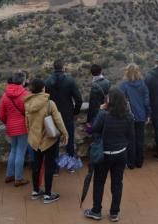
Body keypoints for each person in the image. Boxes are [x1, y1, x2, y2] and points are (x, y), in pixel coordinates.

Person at [84, 87, 134, 222]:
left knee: (99, 182)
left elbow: (92, 129)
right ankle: (114, 213)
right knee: (117, 183)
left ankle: (96, 211)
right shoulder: (129, 115)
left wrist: (89, 125)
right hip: (121, 154)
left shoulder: (103, 114)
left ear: (110, 101)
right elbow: (130, 135)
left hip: (104, 154)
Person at [24, 78, 68, 204]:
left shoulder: (27, 103)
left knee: (36, 165)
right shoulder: (49, 103)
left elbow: (27, 123)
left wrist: (31, 135)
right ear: (43, 89)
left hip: (34, 139)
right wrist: (65, 133)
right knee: (49, 166)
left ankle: (36, 191)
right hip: (49, 140)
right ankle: (48, 195)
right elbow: (58, 121)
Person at [44, 59, 82, 160]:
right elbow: (78, 99)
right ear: (63, 67)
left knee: (54, 142)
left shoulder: (47, 82)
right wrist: (75, 111)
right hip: (68, 114)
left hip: (53, 115)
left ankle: (55, 167)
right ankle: (71, 165)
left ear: (53, 68)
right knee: (69, 139)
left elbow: (44, 100)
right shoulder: (70, 80)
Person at [0, 70, 30, 186]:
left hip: (11, 126)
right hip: (22, 127)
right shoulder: (25, 95)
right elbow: (30, 112)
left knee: (13, 150)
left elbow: (1, 114)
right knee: (21, 151)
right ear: (22, 81)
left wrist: (8, 122)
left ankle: (9, 175)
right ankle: (18, 178)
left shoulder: (5, 95)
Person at [119, 63, 150, 169]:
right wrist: (148, 114)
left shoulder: (123, 85)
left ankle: (130, 163)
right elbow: (146, 101)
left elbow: (120, 102)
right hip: (141, 115)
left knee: (130, 140)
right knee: (140, 139)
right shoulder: (142, 84)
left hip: (128, 117)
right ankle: (139, 162)